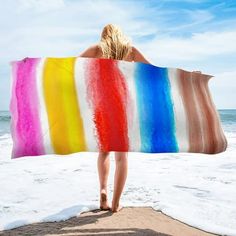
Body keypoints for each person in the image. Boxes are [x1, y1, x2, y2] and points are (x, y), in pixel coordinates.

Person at [79, 24, 151, 213]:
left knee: (104, 151)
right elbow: (155, 71)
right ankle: (116, 203)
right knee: (122, 157)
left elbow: (68, 68)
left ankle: (103, 192)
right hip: (123, 105)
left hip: (101, 104)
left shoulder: (96, 50)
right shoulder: (131, 51)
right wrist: (188, 77)